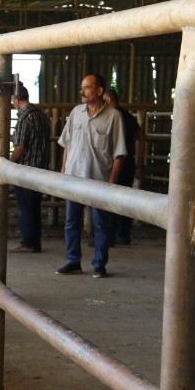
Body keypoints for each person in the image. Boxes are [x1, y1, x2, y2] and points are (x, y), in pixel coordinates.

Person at [55, 73, 127, 279]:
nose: (82, 91)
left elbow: (119, 153)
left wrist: (112, 182)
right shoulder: (76, 113)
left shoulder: (114, 116)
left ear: (99, 91)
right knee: (71, 222)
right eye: (82, 87)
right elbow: (66, 144)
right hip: (74, 178)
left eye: (87, 88)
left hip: (98, 180)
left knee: (101, 224)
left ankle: (99, 264)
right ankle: (73, 260)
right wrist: (63, 170)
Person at [9, 84, 50, 253]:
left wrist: (8, 164)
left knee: (25, 207)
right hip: (40, 168)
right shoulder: (40, 115)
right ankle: (35, 241)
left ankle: (28, 242)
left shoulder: (25, 118)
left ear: (15, 99)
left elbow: (20, 147)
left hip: (26, 170)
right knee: (34, 206)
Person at [103, 87, 143, 246]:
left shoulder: (112, 117)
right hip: (128, 161)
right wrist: (140, 161)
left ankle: (110, 234)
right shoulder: (127, 115)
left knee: (111, 196)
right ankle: (123, 234)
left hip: (115, 162)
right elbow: (142, 137)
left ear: (108, 100)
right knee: (125, 197)